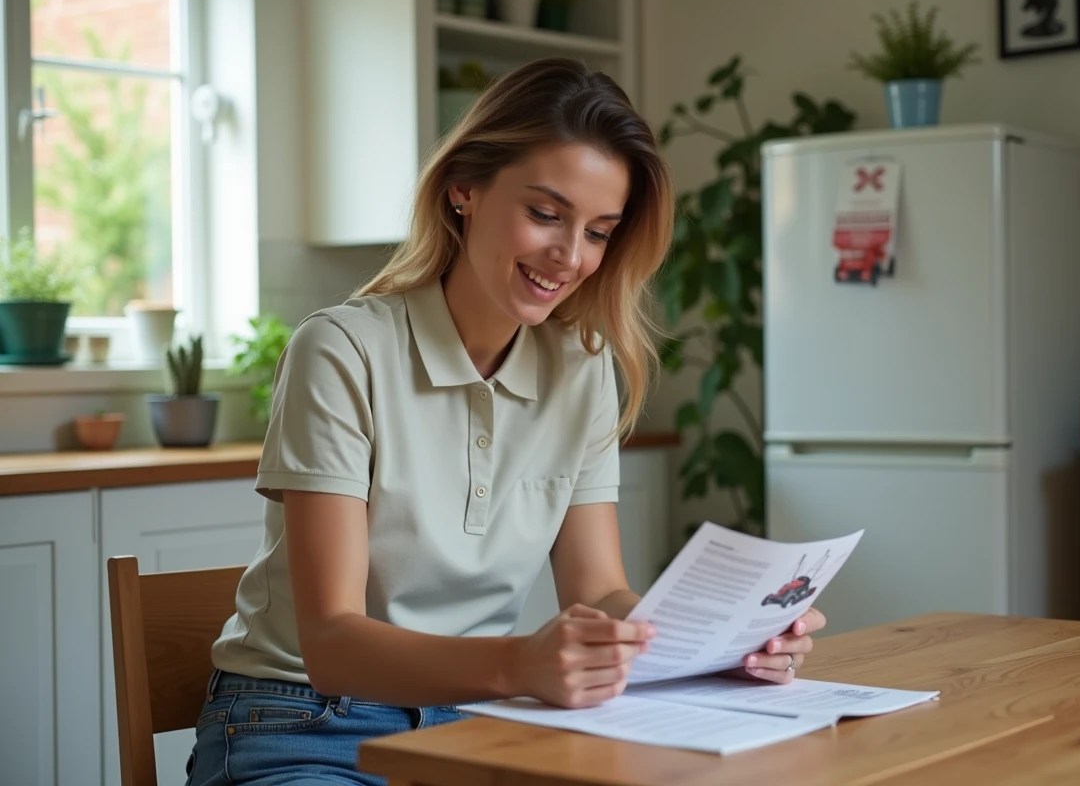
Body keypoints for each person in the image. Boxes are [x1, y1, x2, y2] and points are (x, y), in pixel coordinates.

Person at [184, 57, 825, 786]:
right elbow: (331, 643)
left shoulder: (581, 367)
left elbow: (599, 593)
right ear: (464, 188)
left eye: (599, 231)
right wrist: (518, 662)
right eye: (546, 215)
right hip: (306, 720)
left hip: (480, 719)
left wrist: (718, 642)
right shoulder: (341, 350)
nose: (571, 256)